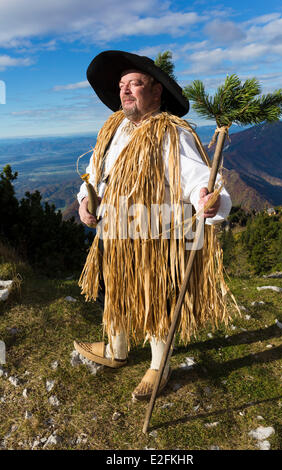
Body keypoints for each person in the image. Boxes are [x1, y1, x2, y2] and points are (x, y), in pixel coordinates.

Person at [74, 50, 232, 400]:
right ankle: (116, 349)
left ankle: (159, 366)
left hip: (155, 236)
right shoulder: (114, 128)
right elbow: (98, 172)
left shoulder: (172, 133)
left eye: (136, 84)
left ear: (157, 91)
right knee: (110, 290)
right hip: (113, 232)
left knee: (156, 301)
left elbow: (198, 181)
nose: (126, 91)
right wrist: (88, 200)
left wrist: (209, 198)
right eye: (121, 85)